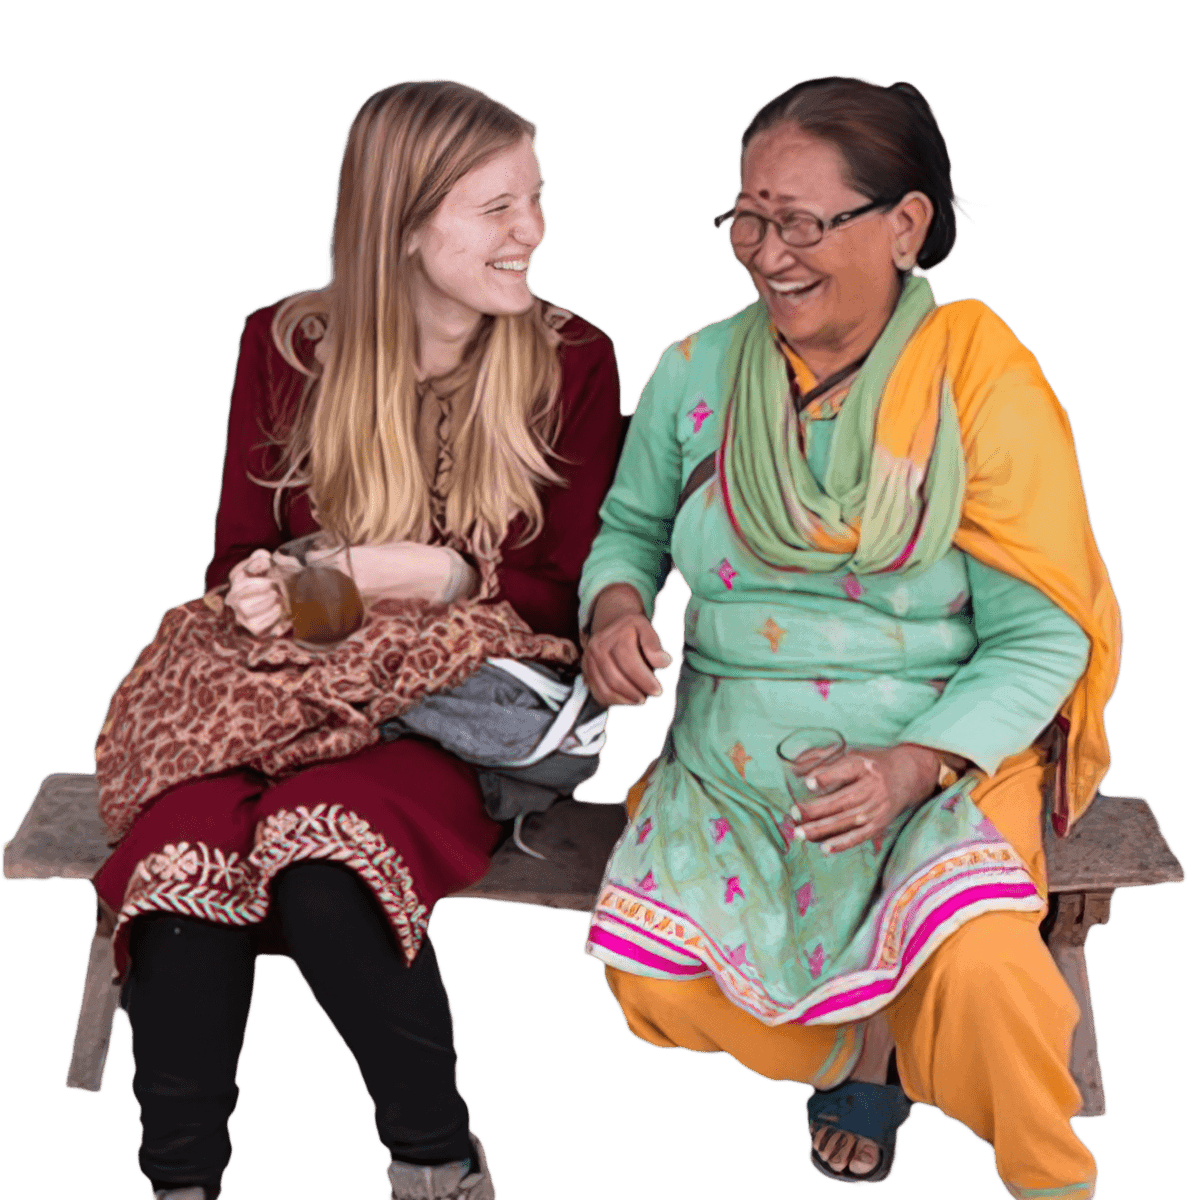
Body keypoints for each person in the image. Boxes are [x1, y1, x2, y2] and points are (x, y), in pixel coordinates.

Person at [578, 76, 1119, 1200]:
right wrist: (616, 608)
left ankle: (1052, 1179)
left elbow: (1038, 637)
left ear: (904, 225)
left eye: (799, 221)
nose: (764, 251)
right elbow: (628, 530)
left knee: (985, 983)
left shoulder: (981, 384)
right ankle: (862, 1043)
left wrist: (912, 764)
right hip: (737, 770)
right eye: (746, 216)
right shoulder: (695, 374)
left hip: (933, 764)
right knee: (655, 989)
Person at [91, 81, 623, 1200]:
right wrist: (255, 590)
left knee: (326, 856)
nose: (532, 229)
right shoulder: (284, 344)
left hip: (452, 703)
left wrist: (420, 572)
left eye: (535, 198)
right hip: (284, 686)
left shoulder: (570, 361)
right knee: (184, 863)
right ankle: (178, 1182)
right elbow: (236, 550)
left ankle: (437, 1165)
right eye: (497, 207)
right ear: (404, 222)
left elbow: (562, 599)